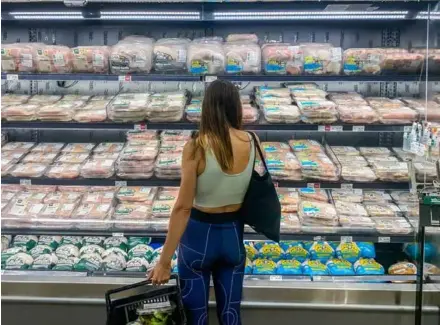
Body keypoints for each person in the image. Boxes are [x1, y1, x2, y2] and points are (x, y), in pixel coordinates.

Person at [148, 80, 261, 325]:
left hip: (197, 240)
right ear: (236, 107)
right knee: (231, 315)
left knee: (195, 317)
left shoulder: (196, 147)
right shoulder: (252, 141)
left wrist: (164, 262)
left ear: (206, 108)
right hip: (232, 236)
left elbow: (183, 207)